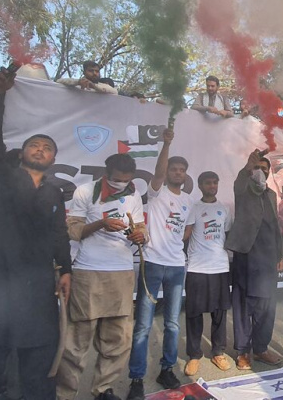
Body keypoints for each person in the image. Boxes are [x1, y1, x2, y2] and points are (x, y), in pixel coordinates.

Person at [0, 67, 71, 399]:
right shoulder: (1, 177)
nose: (40, 149)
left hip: (37, 288)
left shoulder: (54, 193)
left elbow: (59, 234)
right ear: (22, 152)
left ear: (53, 158)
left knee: (38, 359)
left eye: (46, 148)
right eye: (34, 145)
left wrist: (66, 270)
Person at [58, 154, 147, 400]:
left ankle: (103, 389)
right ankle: (65, 394)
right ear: (106, 173)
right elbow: (73, 230)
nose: (122, 184)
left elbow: (140, 226)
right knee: (76, 342)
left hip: (122, 272)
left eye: (127, 180)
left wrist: (141, 235)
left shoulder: (134, 194)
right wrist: (100, 224)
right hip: (89, 272)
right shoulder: (86, 191)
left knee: (118, 339)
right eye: (117, 180)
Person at [126, 129, 192, 399]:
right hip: (152, 263)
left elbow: (188, 228)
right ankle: (136, 378)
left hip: (176, 266)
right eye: (173, 169)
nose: (177, 172)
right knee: (143, 325)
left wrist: (174, 240)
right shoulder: (156, 192)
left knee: (173, 323)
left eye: (181, 170)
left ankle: (167, 369)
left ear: (185, 175)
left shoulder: (188, 201)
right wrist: (167, 144)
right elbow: (158, 171)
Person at [226, 149, 283, 370]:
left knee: (267, 308)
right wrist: (248, 166)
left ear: (269, 173)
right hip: (246, 256)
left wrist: (280, 254)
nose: (260, 171)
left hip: (268, 259)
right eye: (257, 168)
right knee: (243, 306)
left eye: (264, 169)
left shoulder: (271, 195)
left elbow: (275, 226)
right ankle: (242, 351)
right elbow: (240, 181)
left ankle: (260, 349)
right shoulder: (243, 189)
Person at [183, 171, 233, 376]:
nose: (212, 186)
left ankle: (218, 352)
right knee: (194, 313)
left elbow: (228, 236)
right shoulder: (194, 208)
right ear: (200, 186)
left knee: (219, 312)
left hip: (220, 266)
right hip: (197, 267)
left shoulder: (225, 209)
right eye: (207, 183)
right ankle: (194, 355)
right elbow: (185, 235)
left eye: (215, 182)